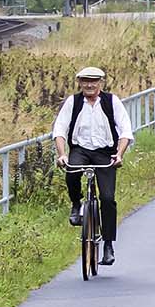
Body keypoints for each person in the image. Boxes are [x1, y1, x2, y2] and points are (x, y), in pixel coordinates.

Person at [56, 63, 128, 267]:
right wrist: (62, 155)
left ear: (100, 83)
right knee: (71, 171)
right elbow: (60, 130)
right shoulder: (73, 102)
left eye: (93, 81)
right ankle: (77, 204)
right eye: (85, 81)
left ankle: (108, 244)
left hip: (105, 153)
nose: (89, 85)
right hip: (80, 150)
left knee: (107, 198)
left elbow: (125, 132)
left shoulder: (111, 101)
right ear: (79, 83)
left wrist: (119, 155)